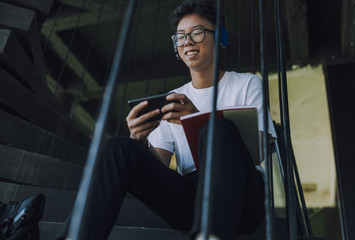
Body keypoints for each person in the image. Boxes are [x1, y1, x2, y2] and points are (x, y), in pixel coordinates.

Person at [61, 0, 277, 239]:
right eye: (180, 36)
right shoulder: (173, 101)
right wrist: (139, 142)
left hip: (243, 195)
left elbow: (258, 151)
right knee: (116, 147)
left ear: (220, 37)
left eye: (196, 32)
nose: (187, 42)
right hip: (193, 197)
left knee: (217, 128)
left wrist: (199, 119)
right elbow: (159, 165)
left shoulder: (246, 83)